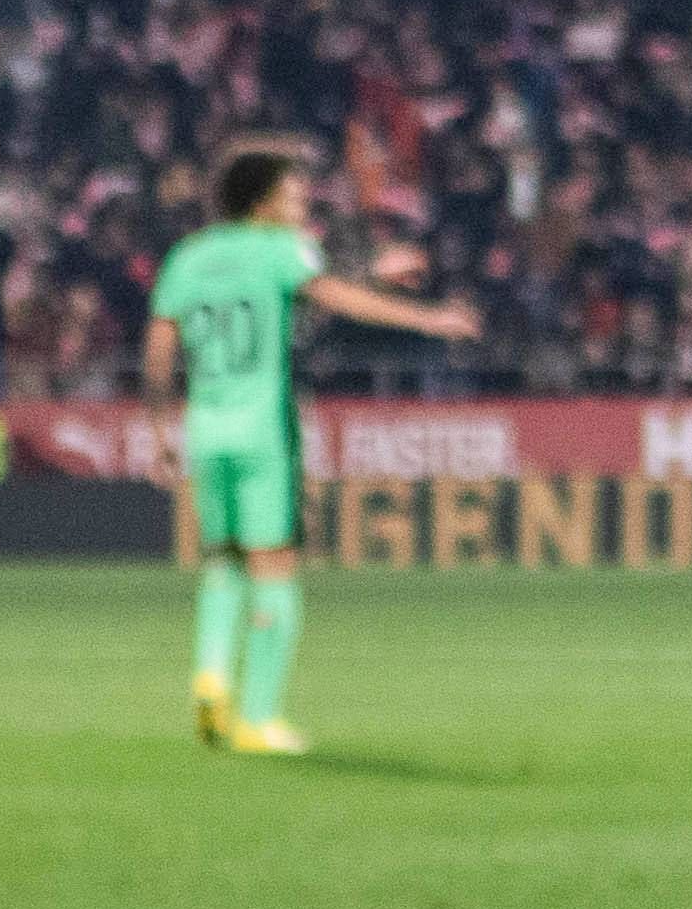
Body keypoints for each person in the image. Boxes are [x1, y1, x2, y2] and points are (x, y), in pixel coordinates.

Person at [143, 141, 484, 758]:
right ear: (262, 201)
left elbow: (160, 350)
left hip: (205, 429)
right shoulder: (281, 249)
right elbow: (335, 296)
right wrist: (426, 318)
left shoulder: (187, 257)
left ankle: (211, 674)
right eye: (294, 194)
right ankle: (258, 718)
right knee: (275, 567)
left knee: (222, 560)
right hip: (262, 431)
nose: (304, 204)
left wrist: (163, 433)